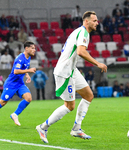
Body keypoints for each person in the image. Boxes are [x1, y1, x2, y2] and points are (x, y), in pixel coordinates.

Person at [36, 11, 107, 143]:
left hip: (71, 70)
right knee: (69, 106)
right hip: (65, 72)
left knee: (88, 95)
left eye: (97, 20)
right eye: (95, 20)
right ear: (86, 21)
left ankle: (77, 128)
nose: (97, 23)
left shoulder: (80, 32)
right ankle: (43, 127)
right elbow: (80, 51)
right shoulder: (83, 32)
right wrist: (98, 63)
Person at [0, 41, 36, 128]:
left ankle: (15, 114)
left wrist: (27, 75)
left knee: (28, 98)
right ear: (26, 48)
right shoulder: (20, 58)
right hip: (11, 84)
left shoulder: (28, 57)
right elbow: (16, 71)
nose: (35, 50)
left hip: (19, 83)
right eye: (32, 48)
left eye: (35, 48)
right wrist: (29, 71)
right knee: (2, 102)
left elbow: (24, 68)